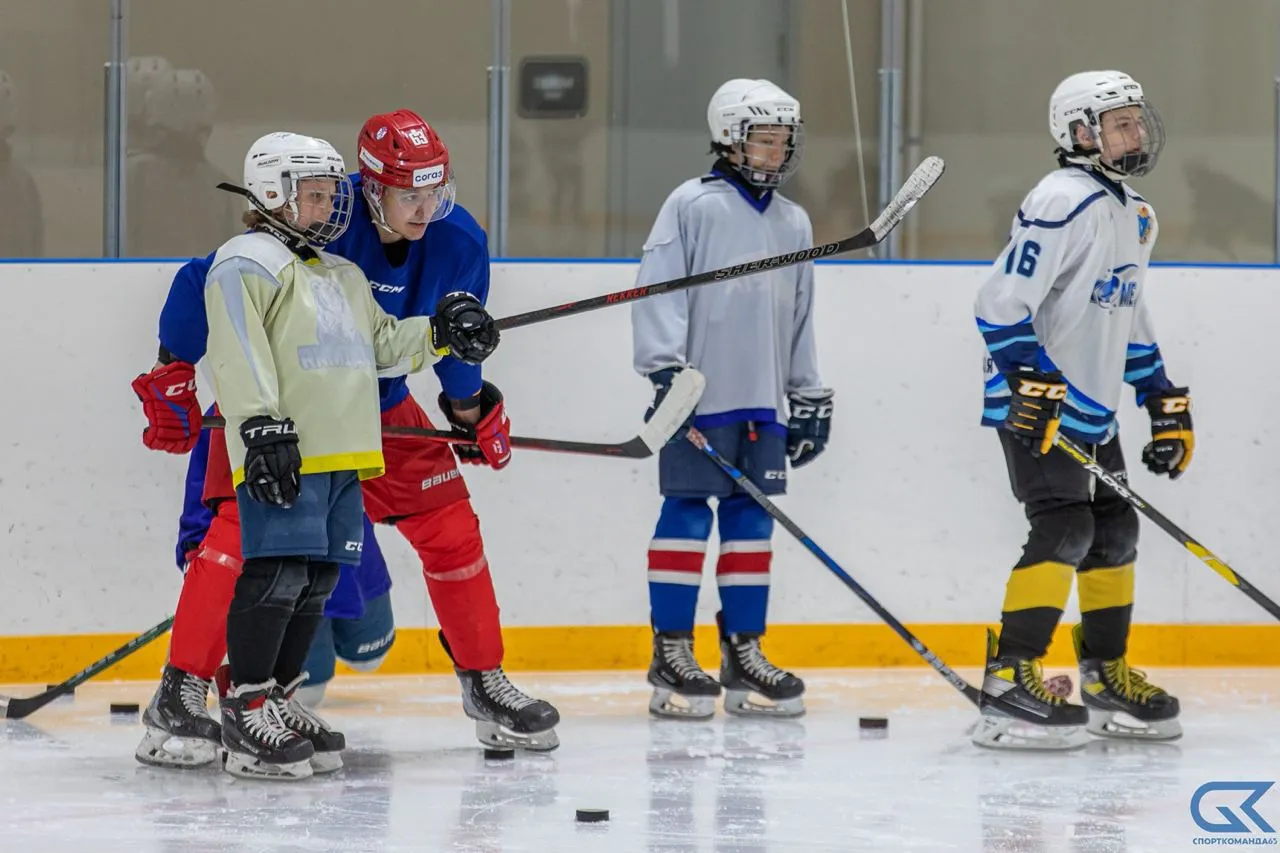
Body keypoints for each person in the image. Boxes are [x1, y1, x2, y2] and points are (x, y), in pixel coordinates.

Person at [130, 110, 559, 770]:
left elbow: (425, 336)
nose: (426, 209)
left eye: (435, 192)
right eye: (410, 194)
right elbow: (205, 283)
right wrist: (174, 369)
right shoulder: (310, 224)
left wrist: (470, 407)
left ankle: (484, 680)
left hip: (374, 410)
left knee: (449, 526)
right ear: (371, 187)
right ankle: (184, 687)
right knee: (238, 540)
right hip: (280, 413)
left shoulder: (453, 239)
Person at [200, 130, 497, 779]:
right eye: (315, 196)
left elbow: (385, 346)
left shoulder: (339, 270)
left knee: (317, 580)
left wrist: (441, 335)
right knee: (275, 574)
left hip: (343, 451)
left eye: (333, 195)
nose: (331, 208)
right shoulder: (245, 261)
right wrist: (259, 427)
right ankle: (246, 705)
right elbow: (238, 354)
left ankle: (277, 696)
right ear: (273, 194)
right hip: (287, 447)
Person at [972, 70, 1189, 750]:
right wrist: (1029, 377)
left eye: (1135, 120)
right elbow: (998, 303)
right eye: (1119, 122)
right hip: (1037, 404)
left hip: (1091, 404)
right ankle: (1009, 675)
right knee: (1064, 527)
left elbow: (1129, 311)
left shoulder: (1135, 211)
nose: (1136, 132)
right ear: (1079, 133)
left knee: (1113, 532)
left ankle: (1103, 674)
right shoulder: (1061, 199)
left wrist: (1160, 397)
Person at [631, 79, 832, 720]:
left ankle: (743, 653)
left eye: (782, 142)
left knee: (751, 524)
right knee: (688, 514)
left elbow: (799, 314)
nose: (775, 153)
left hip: (762, 402)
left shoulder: (794, 220)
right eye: (763, 140)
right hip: (697, 395)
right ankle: (672, 652)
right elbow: (657, 289)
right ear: (730, 137)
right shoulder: (692, 206)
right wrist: (665, 374)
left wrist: (807, 395)